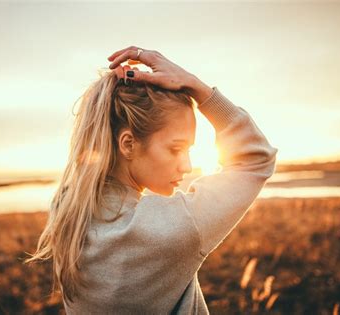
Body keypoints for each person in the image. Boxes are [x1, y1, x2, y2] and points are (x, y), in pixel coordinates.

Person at [25, 46, 278, 314]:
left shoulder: (67, 210)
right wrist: (197, 87)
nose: (187, 165)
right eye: (175, 148)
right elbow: (256, 159)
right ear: (128, 144)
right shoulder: (173, 227)